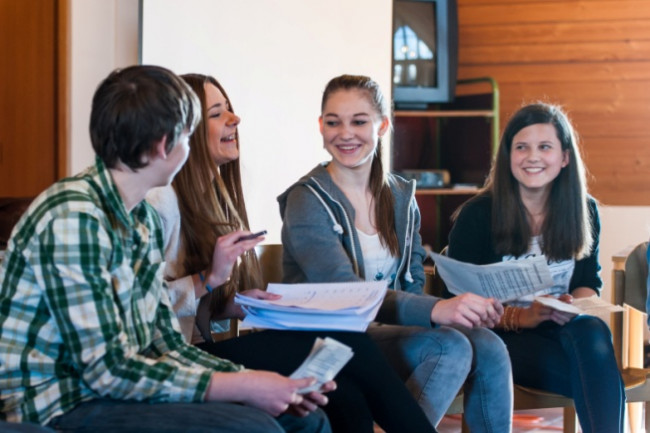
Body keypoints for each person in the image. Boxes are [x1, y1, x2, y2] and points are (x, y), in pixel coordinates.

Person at [0, 65, 332, 433]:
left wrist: (262, 383)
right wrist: (244, 386)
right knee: (254, 428)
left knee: (304, 418)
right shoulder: (73, 218)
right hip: (61, 401)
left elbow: (166, 345)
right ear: (164, 144)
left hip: (112, 390)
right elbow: (106, 371)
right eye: (188, 137)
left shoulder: (138, 218)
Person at [145, 73, 438, 433]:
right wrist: (209, 279)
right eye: (217, 113)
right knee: (345, 340)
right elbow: (143, 308)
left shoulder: (215, 198)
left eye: (230, 110)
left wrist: (234, 304)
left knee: (343, 392)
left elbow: (195, 305)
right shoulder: (160, 204)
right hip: (170, 362)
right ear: (184, 128)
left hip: (199, 347)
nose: (234, 120)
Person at [277, 74, 513, 432]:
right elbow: (345, 292)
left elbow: (414, 280)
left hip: (387, 334)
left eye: (359, 121)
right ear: (320, 126)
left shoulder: (401, 196)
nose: (345, 133)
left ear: (382, 125)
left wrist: (461, 310)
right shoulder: (306, 199)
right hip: (332, 337)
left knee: (490, 346)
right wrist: (437, 310)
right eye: (333, 122)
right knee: (449, 348)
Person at [447, 102, 626, 433]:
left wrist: (577, 304)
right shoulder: (478, 214)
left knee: (592, 330)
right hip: (497, 338)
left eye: (545, 147)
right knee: (596, 375)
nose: (533, 157)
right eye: (521, 147)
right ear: (508, 156)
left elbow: (586, 282)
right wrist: (522, 316)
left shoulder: (583, 210)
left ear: (564, 158)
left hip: (561, 332)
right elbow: (455, 303)